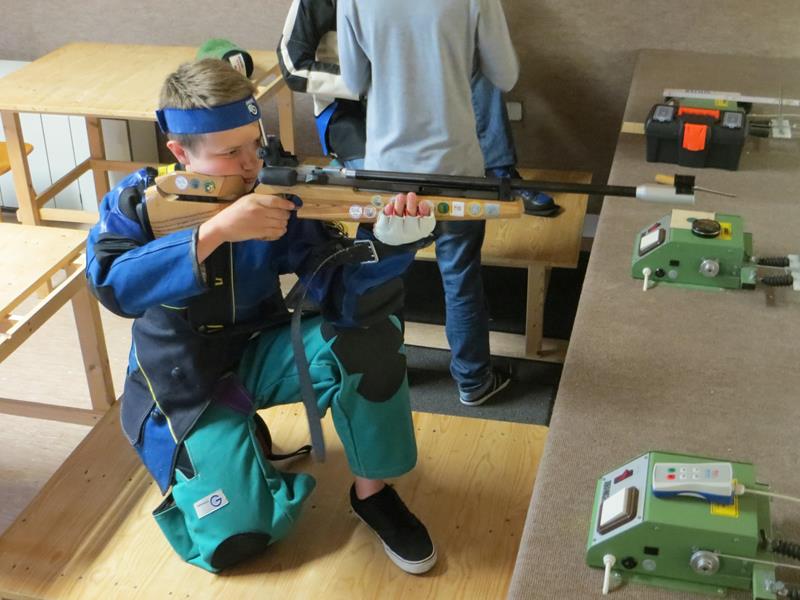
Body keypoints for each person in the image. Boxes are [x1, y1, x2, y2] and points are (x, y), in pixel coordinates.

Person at [85, 58, 439, 575]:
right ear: (180, 152)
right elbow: (113, 286)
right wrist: (213, 233)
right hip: (182, 382)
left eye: (256, 143)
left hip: (261, 351)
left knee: (371, 331)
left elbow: (341, 294)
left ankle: (373, 493)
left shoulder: (275, 196)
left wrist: (384, 248)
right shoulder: (136, 202)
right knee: (237, 541)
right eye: (230, 152)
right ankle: (233, 448)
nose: (252, 164)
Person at [336, 0, 521, 406]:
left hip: (387, 170)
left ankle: (388, 370)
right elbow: (505, 75)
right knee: (460, 276)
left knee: (382, 278)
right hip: (455, 169)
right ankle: (473, 381)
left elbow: (353, 81)